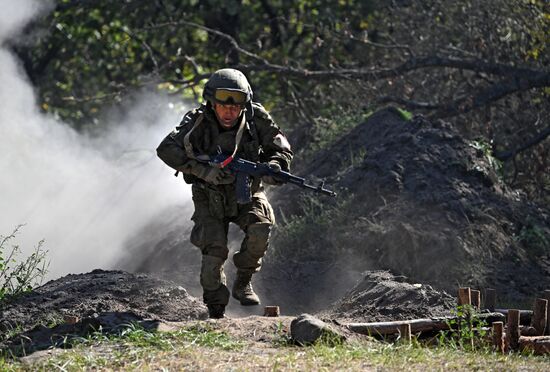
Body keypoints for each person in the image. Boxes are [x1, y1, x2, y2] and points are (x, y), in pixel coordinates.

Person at [157, 68, 293, 319]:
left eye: (236, 105)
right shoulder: (197, 121)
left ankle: (243, 280)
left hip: (248, 190)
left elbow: (281, 147)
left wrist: (275, 166)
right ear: (211, 102)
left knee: (260, 228)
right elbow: (166, 149)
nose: (230, 111)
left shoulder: (256, 118)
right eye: (223, 104)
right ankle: (216, 309)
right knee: (213, 255)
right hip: (209, 196)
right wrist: (202, 171)